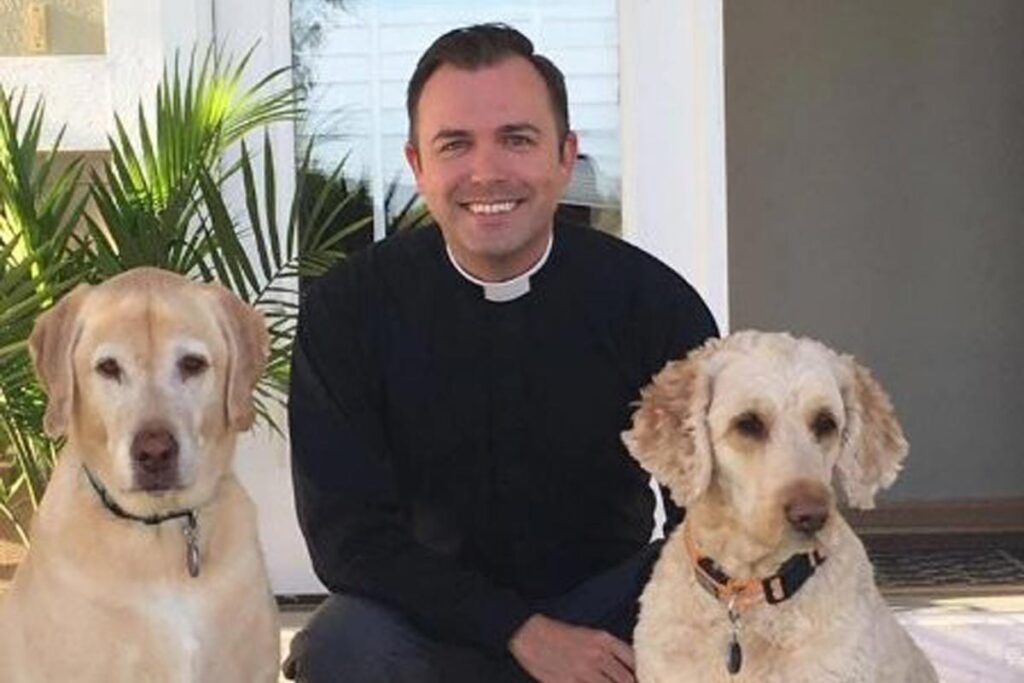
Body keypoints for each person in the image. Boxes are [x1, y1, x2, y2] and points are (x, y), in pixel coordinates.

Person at [285, 23, 718, 683]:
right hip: (428, 620)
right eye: (455, 144)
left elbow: (709, 510)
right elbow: (348, 537)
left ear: (565, 156)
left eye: (517, 139)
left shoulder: (651, 303)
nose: (487, 171)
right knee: (341, 646)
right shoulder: (349, 310)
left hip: (606, 614)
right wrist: (518, 631)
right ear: (416, 165)